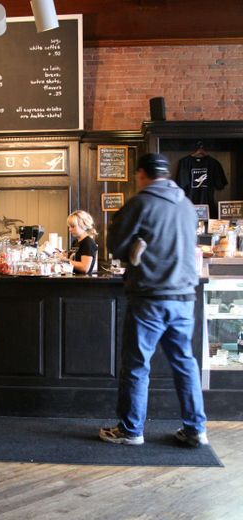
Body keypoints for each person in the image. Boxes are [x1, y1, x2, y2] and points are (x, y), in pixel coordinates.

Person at [99, 153, 208, 448]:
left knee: (136, 366)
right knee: (185, 362)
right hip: (185, 297)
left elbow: (116, 246)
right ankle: (196, 428)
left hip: (149, 297)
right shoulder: (187, 205)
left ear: (141, 174)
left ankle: (131, 430)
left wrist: (134, 244)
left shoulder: (141, 203)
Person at [64, 210, 98, 274]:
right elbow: (73, 259)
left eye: (73, 226)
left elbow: (84, 267)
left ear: (83, 225)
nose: (70, 229)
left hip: (83, 282)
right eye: (69, 227)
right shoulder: (75, 242)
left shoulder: (88, 243)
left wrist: (65, 261)